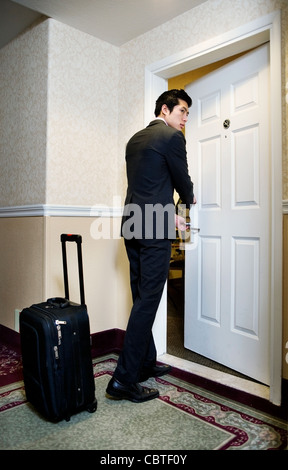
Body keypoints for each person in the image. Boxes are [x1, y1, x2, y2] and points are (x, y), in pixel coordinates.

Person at [106, 89, 196, 403]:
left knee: (141, 298)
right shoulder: (171, 138)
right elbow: (182, 182)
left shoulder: (135, 139)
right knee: (148, 302)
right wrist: (186, 204)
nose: (185, 119)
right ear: (165, 109)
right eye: (182, 111)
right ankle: (123, 380)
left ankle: (144, 362)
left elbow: (147, 185)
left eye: (187, 113)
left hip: (131, 226)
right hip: (154, 229)